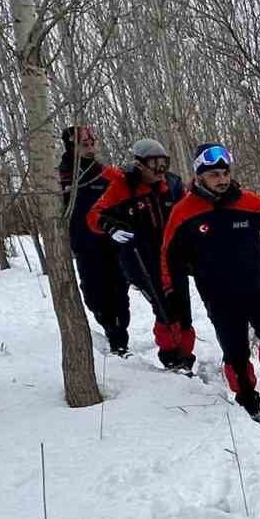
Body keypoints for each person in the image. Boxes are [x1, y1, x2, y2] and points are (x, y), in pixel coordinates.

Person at [161, 142, 260, 419]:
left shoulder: (245, 200)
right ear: (199, 176)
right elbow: (169, 257)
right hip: (219, 297)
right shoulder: (184, 212)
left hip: (258, 288)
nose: (222, 180)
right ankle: (248, 403)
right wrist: (171, 292)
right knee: (236, 355)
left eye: (224, 173)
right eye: (214, 175)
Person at [86, 137, 196, 372]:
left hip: (172, 257)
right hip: (140, 260)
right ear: (139, 165)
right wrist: (110, 226)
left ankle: (186, 355)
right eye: (154, 165)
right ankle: (172, 357)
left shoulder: (173, 185)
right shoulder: (123, 186)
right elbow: (95, 214)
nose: (160, 171)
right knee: (165, 307)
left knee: (182, 308)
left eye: (164, 164)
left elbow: (191, 208)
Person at [57, 125, 131, 355]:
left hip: (111, 244)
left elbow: (127, 190)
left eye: (92, 144)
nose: (90, 149)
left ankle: (120, 341)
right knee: (94, 294)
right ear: (72, 147)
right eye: (84, 145)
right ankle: (109, 328)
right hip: (84, 246)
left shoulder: (105, 172)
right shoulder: (60, 176)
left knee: (119, 293)